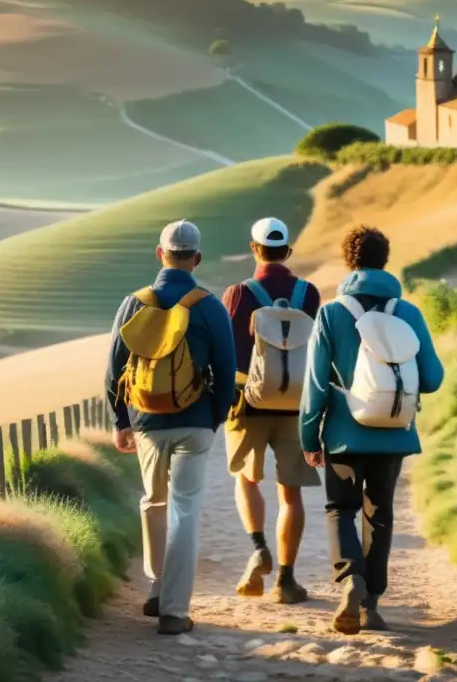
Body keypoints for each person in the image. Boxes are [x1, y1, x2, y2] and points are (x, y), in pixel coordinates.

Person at [299, 225, 444, 635]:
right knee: (379, 514)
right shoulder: (408, 313)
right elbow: (432, 378)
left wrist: (310, 438)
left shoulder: (331, 313)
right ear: (385, 260)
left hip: (344, 434)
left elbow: (313, 386)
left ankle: (350, 582)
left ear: (349, 262)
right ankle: (372, 604)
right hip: (394, 431)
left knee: (340, 510)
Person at [105, 219, 237, 635]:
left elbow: (113, 368)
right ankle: (175, 611)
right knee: (185, 510)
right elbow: (227, 367)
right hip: (195, 423)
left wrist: (121, 420)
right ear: (196, 259)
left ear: (160, 254)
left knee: (154, 502)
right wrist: (214, 418)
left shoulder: (134, 303)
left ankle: (157, 586)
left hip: (146, 422)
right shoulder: (209, 305)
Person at [221, 217, 322, 604]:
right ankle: (286, 579)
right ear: (289, 252)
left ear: (253, 249)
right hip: (296, 404)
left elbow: (229, 351)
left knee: (247, 480)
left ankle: (259, 547)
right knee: (290, 494)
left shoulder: (239, 293)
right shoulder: (308, 293)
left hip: (248, 401)